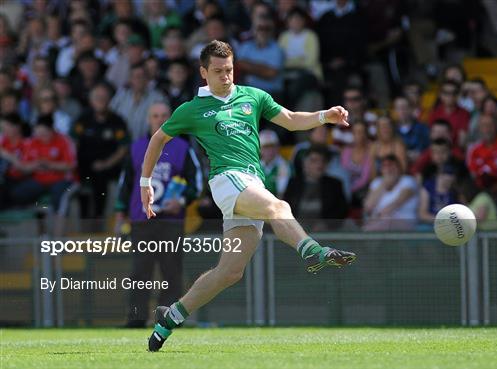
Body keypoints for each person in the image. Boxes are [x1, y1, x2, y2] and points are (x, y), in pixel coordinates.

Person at [140, 40, 356, 351]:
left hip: (252, 182)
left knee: (229, 272)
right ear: (203, 72)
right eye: (218, 71)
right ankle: (312, 251)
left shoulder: (253, 97)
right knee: (278, 205)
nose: (226, 76)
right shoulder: (192, 109)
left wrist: (325, 116)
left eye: (229, 70)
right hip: (226, 180)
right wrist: (145, 183)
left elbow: (292, 120)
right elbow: (159, 139)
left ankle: (170, 316)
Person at [115, 102, 202, 328]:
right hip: (142, 220)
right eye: (155, 116)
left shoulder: (183, 148)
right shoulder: (136, 147)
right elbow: (125, 185)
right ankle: (135, 320)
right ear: (148, 119)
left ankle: (169, 320)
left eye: (164, 116)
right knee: (138, 273)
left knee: (171, 273)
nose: (160, 120)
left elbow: (197, 183)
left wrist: (181, 201)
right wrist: (119, 213)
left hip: (171, 222)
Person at [71, 83, 129, 218]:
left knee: (100, 178)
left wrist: (106, 163)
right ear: (91, 100)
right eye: (97, 97)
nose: (101, 101)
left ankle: (98, 217)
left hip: (110, 164)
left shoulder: (117, 121)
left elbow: (123, 148)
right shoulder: (83, 119)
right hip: (85, 164)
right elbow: (74, 142)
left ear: (109, 100)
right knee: (81, 177)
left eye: (104, 97)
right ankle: (84, 219)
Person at [283, 144, 348, 230]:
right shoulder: (293, 183)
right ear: (305, 163)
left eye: (323, 161)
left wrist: (327, 224)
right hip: (296, 232)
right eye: (314, 160)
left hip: (325, 233)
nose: (319, 164)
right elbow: (285, 207)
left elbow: (341, 211)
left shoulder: (335, 185)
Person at [363, 154, 418, 231]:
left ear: (399, 168)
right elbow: (368, 207)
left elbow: (396, 203)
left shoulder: (408, 180)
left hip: (404, 222)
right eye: (385, 166)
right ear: (381, 169)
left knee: (387, 221)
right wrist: (384, 184)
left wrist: (376, 217)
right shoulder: (376, 183)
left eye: (392, 165)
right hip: (379, 222)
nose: (389, 169)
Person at [259, 129, 290, 199]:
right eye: (266, 147)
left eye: (272, 146)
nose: (270, 150)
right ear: (259, 149)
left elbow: (281, 195)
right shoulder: (255, 166)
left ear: (278, 147)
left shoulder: (284, 166)